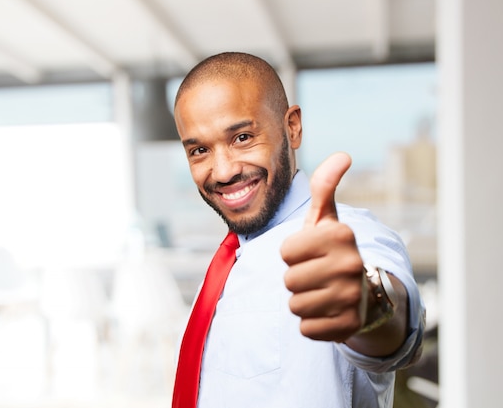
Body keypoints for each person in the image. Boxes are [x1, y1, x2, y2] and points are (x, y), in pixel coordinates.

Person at [171, 52, 425, 408]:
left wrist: (368, 302)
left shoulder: (350, 234)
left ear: (292, 127)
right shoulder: (225, 266)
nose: (223, 171)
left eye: (242, 137)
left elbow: (396, 330)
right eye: (199, 150)